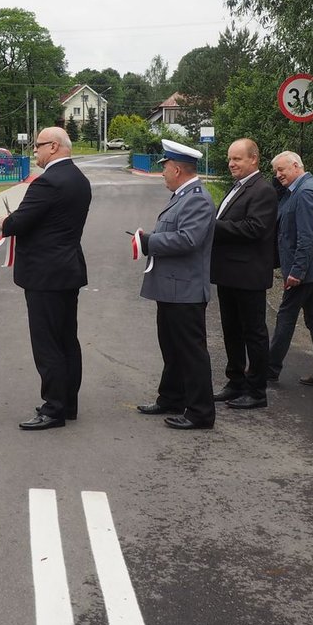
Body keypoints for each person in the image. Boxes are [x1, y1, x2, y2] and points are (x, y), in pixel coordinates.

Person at [3, 127, 92, 431]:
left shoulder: (47, 182)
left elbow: (19, 222)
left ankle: (53, 408)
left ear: (53, 147)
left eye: (38, 145)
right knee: (67, 339)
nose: (34, 151)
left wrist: (6, 222)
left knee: (47, 344)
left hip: (44, 275)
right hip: (68, 271)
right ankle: (68, 403)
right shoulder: (79, 179)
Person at [134, 139, 216, 430]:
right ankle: (171, 397)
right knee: (171, 349)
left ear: (178, 169)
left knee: (191, 353)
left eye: (165, 168)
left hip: (186, 290)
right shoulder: (183, 195)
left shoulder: (197, 199)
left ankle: (200, 412)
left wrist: (149, 242)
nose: (163, 174)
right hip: (172, 288)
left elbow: (188, 239)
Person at [209, 138, 278, 409]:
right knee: (231, 330)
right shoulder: (238, 187)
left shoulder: (263, 190)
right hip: (228, 273)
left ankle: (257, 390)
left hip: (248, 275)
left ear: (254, 159)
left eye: (237, 159)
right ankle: (235, 382)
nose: (231, 163)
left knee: (254, 333)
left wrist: (213, 226)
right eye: (230, 158)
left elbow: (254, 228)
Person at [268, 151, 313, 387]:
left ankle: (270, 369)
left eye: (281, 170)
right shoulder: (298, 189)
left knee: (286, 317)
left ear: (296, 166)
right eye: (275, 171)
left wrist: (297, 271)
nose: (278, 175)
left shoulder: (306, 191)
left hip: (306, 270)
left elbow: (307, 237)